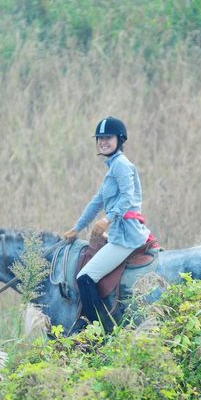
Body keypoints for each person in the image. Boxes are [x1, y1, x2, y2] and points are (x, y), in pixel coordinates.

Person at [63, 117, 152, 332]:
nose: (103, 142)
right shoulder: (111, 167)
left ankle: (97, 333)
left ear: (119, 139)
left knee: (85, 277)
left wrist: (107, 219)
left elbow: (128, 197)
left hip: (126, 235)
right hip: (119, 231)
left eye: (108, 138)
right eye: (100, 139)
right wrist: (77, 227)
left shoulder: (121, 165)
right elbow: (97, 201)